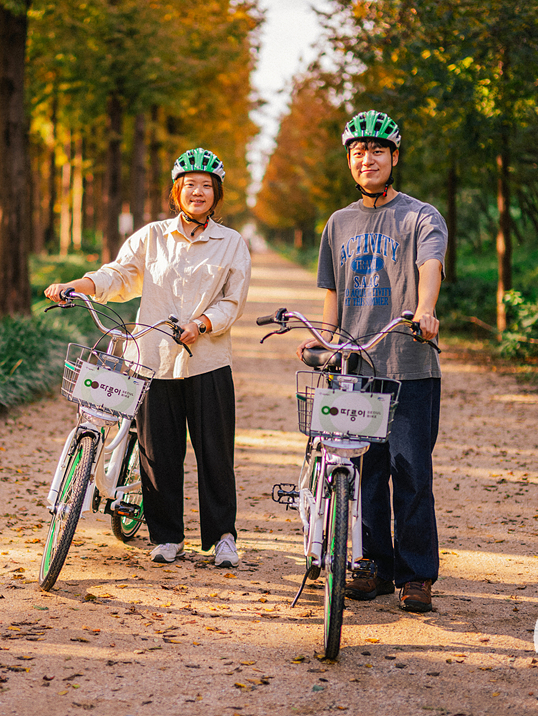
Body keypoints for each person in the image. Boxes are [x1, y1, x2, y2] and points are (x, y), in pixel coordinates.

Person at [45, 148, 252, 568]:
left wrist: (204, 324)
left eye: (206, 186)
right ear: (176, 192)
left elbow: (233, 302)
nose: (198, 192)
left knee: (215, 452)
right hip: (153, 358)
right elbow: (118, 275)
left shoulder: (231, 243)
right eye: (189, 184)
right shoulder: (152, 236)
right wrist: (80, 284)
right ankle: (167, 536)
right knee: (158, 452)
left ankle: (223, 537)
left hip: (207, 361)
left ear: (217, 195)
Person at [299, 110, 446, 613]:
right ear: (349, 160)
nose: (368, 159)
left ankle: (416, 574)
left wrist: (425, 310)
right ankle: (374, 567)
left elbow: (430, 265)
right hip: (356, 370)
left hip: (408, 363)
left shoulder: (421, 215)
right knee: (362, 473)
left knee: (410, 471)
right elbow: (332, 294)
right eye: (359, 152)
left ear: (395, 157)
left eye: (378, 151)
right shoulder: (338, 223)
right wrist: (324, 343)